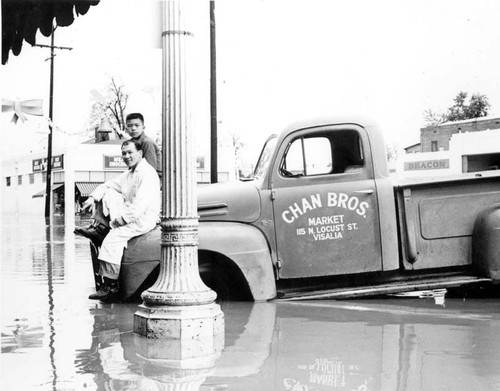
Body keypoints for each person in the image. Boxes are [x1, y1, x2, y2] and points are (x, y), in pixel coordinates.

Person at [75, 139, 160, 301]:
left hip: (142, 219)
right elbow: (107, 185)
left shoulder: (147, 174)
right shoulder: (129, 174)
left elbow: (140, 205)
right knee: (109, 193)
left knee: (111, 240)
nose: (126, 156)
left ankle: (110, 286)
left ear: (140, 153)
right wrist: (92, 198)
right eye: (124, 153)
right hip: (131, 215)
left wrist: (119, 222)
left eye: (130, 152)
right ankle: (100, 227)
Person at [124, 112, 162, 177]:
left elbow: (150, 170)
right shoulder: (131, 143)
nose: (133, 128)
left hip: (151, 179)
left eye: (137, 125)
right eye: (130, 126)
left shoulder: (147, 142)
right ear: (126, 128)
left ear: (143, 127)